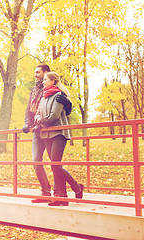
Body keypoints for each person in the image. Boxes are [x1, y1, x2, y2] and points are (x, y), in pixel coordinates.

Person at [22, 64, 72, 203]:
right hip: (38, 130)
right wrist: (27, 123)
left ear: (46, 74)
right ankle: (45, 192)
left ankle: (60, 193)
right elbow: (30, 109)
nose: (36, 75)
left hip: (51, 130)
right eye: (35, 72)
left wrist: (68, 104)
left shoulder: (56, 90)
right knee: (36, 161)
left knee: (55, 163)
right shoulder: (35, 90)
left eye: (38, 72)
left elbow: (64, 111)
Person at [33, 72, 83, 206]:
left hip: (59, 134)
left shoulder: (59, 96)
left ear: (53, 81)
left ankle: (73, 189)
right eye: (43, 80)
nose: (43, 82)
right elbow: (37, 113)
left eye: (45, 80)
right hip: (47, 135)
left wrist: (40, 121)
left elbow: (54, 116)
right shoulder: (43, 97)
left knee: (55, 165)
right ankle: (64, 196)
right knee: (56, 166)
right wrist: (39, 119)